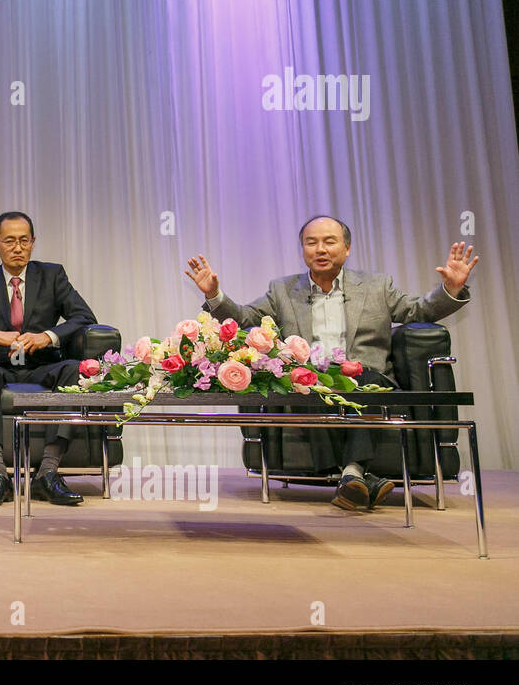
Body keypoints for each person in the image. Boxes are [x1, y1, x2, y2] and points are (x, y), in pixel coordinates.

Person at [185, 215, 478, 511]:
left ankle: (350, 476)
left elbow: (417, 311)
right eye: (311, 243)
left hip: (367, 376)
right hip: (313, 380)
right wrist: (213, 294)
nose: (320, 249)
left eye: (329, 241)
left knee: (363, 384)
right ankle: (357, 476)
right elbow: (245, 318)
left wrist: (450, 289)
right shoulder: (282, 290)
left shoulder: (378, 286)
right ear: (303, 250)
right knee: (309, 381)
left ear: (347, 248)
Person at [0, 212, 98, 507]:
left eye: (24, 240)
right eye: (9, 241)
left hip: (42, 366)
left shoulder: (52, 276)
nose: (17, 247)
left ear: (33, 243)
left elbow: (84, 316)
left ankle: (48, 474)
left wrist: (47, 336)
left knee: (75, 370)